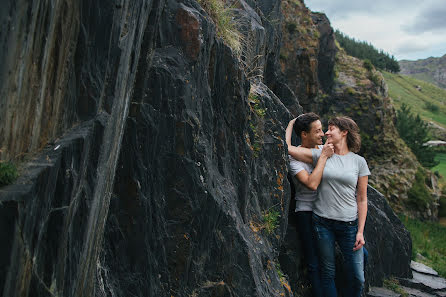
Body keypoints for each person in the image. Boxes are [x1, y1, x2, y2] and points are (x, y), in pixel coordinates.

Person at [287, 116, 370, 297]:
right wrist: (290, 125)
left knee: (358, 277)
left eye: (330, 129)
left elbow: (362, 198)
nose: (325, 132)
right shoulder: (321, 155)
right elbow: (288, 150)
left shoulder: (358, 162)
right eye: (322, 130)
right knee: (327, 271)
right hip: (321, 222)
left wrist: (360, 231)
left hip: (348, 225)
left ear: (344, 132)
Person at [286, 113, 334, 297]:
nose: (322, 134)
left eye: (322, 129)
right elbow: (312, 183)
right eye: (318, 131)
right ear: (304, 134)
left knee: (329, 263)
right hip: (306, 213)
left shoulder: (324, 149)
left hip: (327, 211)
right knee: (314, 262)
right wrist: (291, 125)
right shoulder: (294, 159)